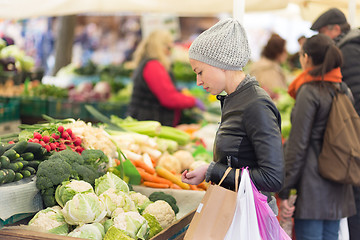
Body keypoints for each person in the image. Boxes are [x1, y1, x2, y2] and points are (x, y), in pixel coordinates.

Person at [181, 18, 284, 213]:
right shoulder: (235, 98)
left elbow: (272, 178)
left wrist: (212, 171)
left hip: (250, 217)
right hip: (236, 210)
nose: (198, 81)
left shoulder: (256, 104)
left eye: (200, 72)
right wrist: (208, 171)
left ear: (221, 63)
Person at [278, 34, 356, 240]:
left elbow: (297, 145)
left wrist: (285, 190)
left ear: (307, 58)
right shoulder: (343, 89)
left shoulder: (309, 91)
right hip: (339, 183)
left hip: (313, 189)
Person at [310, 8, 360, 239]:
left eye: (322, 33)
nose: (321, 39)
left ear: (335, 29)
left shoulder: (348, 51)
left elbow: (353, 99)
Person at [126, 30, 205, 127]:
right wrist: (193, 101)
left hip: (148, 120)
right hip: (150, 122)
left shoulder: (150, 63)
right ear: (162, 47)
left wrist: (175, 90)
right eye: (169, 46)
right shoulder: (153, 66)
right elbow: (169, 98)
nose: (170, 51)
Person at [249, 33, 288, 97]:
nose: (286, 53)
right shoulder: (269, 70)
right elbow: (276, 94)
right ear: (278, 53)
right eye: (284, 50)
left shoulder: (261, 65)